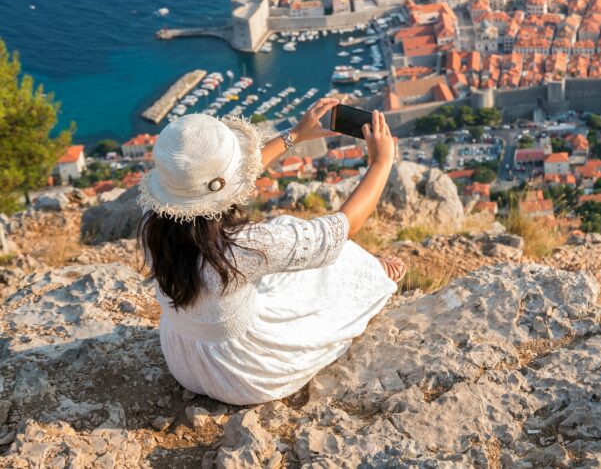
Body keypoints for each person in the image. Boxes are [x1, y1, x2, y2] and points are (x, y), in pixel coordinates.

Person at [137, 98, 405, 405]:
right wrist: (380, 163)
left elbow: (226, 181)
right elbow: (342, 228)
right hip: (243, 375)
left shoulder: (153, 224)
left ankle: (368, 268)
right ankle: (374, 272)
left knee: (287, 233)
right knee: (339, 257)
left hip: (183, 359)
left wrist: (295, 135)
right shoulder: (243, 247)